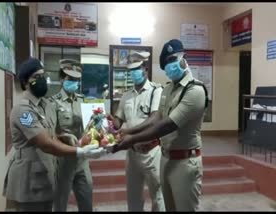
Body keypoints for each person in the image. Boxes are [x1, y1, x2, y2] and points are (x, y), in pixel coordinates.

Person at [112, 39, 208, 211]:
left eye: (173, 59)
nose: (170, 66)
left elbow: (167, 125)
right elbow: (158, 119)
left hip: (185, 162)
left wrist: (131, 138)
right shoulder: (168, 89)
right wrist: (127, 135)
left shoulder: (195, 91)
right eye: (166, 64)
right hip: (166, 158)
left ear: (184, 58)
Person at [2, 58, 106, 212]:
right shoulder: (23, 110)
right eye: (36, 77)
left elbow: (51, 134)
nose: (42, 80)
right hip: (28, 180)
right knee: (58, 204)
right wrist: (79, 150)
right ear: (25, 82)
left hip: (44, 175)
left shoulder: (43, 105)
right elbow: (45, 142)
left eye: (43, 76)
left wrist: (63, 137)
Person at [107, 51, 165, 211]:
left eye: (137, 69)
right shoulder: (126, 95)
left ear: (145, 69)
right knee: (133, 199)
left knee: (158, 198)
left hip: (152, 153)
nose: (134, 73)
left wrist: (128, 132)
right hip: (132, 154)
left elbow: (154, 120)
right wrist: (111, 121)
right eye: (131, 70)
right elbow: (119, 121)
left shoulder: (156, 91)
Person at [50, 59, 94, 212]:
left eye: (76, 80)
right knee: (61, 203)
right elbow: (50, 133)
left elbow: (90, 127)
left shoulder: (83, 101)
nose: (74, 83)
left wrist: (97, 121)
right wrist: (63, 135)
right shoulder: (53, 103)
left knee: (86, 200)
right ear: (61, 80)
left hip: (82, 160)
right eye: (70, 79)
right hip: (63, 161)